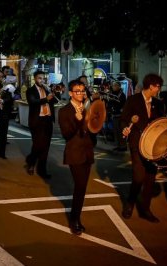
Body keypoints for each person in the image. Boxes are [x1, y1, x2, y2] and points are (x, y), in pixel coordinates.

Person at [120, 73, 167, 223]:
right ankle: (130, 204)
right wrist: (125, 127)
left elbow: (161, 122)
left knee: (150, 178)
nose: (159, 89)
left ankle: (145, 209)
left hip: (154, 146)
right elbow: (123, 119)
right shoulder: (133, 100)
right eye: (158, 86)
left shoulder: (158, 103)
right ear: (151, 86)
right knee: (138, 176)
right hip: (137, 143)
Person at [59, 79, 97, 235]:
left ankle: (77, 217)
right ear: (70, 93)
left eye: (82, 91)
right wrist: (77, 119)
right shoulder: (64, 111)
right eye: (77, 91)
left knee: (82, 189)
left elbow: (93, 129)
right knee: (80, 186)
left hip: (87, 151)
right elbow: (66, 134)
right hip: (74, 153)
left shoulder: (88, 108)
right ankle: (74, 220)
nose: (81, 94)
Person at [25, 70, 58, 179]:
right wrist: (45, 99)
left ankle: (42, 170)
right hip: (37, 120)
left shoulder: (47, 89)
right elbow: (33, 102)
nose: (41, 80)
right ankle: (31, 163)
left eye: (43, 78)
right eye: (39, 78)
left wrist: (54, 93)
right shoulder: (30, 90)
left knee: (46, 146)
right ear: (35, 78)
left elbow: (55, 102)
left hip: (48, 120)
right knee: (37, 144)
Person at [109, 81, 127, 151]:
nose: (113, 87)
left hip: (119, 116)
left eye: (115, 86)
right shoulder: (112, 94)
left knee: (120, 131)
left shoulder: (122, 95)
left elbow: (123, 105)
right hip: (114, 115)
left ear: (119, 86)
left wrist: (118, 110)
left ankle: (123, 146)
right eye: (113, 86)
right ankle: (118, 145)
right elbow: (110, 103)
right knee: (115, 131)